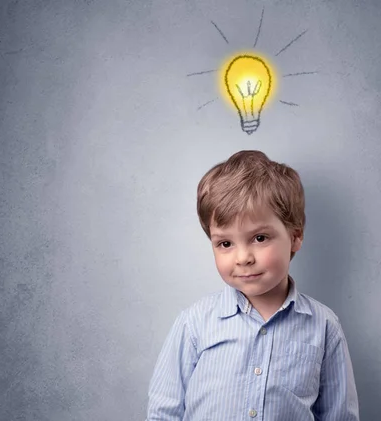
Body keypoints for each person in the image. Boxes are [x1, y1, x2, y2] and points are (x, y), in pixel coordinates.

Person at [146, 150, 359, 420]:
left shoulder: (323, 326)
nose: (243, 258)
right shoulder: (195, 323)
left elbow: (338, 415)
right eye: (225, 243)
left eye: (259, 238)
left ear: (295, 237)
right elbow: (164, 412)